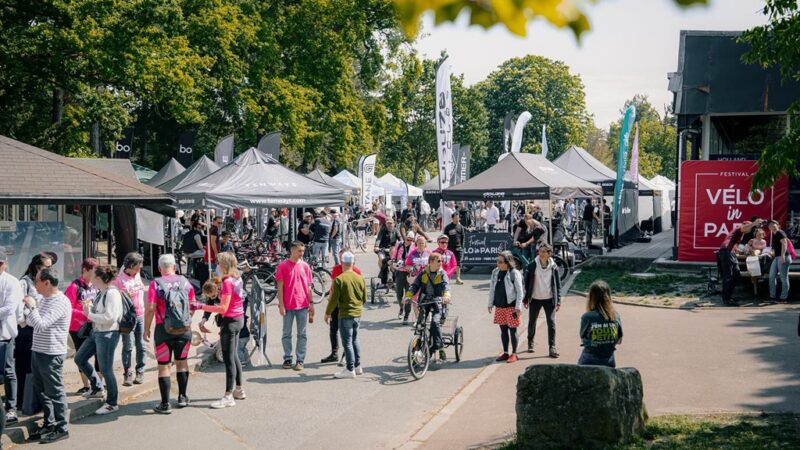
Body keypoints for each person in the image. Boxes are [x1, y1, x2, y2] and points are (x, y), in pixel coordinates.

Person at [145, 254, 197, 414]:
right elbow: (193, 305)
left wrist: (146, 328)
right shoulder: (185, 282)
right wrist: (185, 320)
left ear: (160, 268)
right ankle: (182, 397)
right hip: (184, 330)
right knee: (182, 363)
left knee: (163, 367)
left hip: (163, 331)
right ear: (174, 267)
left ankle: (165, 403)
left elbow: (151, 308)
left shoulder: (156, 284)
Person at [24, 268, 70, 443]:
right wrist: (32, 308)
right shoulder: (44, 299)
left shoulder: (60, 302)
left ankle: (61, 427)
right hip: (39, 350)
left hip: (51, 352)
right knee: (42, 390)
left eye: (36, 281)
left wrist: (32, 306)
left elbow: (41, 324)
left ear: (47, 283)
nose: (34, 285)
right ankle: (49, 424)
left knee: (55, 391)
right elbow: (31, 321)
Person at [200, 252, 246, 408]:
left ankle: (228, 396)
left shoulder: (227, 282)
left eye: (219, 263)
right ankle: (238, 390)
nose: (217, 266)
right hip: (239, 318)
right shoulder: (237, 277)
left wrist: (201, 307)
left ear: (224, 265)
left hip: (230, 322)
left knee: (228, 359)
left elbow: (222, 308)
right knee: (234, 357)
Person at [76, 266, 122, 415]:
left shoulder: (112, 293)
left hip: (108, 334)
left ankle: (112, 402)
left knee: (106, 369)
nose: (90, 277)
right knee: (80, 358)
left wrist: (89, 315)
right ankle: (97, 387)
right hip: (97, 332)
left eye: (93, 275)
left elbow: (110, 318)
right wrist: (90, 310)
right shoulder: (102, 292)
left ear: (99, 278)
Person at [17, 253, 52, 414]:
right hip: (26, 329)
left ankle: (34, 400)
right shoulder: (25, 282)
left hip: (39, 327)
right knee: (24, 366)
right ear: (37, 266)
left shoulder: (45, 283)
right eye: (47, 266)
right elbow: (19, 307)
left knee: (35, 368)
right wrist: (25, 321)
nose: (49, 269)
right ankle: (21, 400)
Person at [325, 252, 367, 378]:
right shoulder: (360, 277)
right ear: (353, 263)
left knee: (347, 342)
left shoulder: (339, 279)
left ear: (342, 263)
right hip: (357, 313)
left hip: (345, 313)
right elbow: (364, 298)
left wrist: (327, 313)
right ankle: (358, 366)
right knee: (355, 340)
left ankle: (350, 368)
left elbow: (334, 300)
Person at [276, 242, 314, 371]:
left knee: (302, 334)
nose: (301, 253)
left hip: (302, 305)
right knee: (286, 333)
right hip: (288, 304)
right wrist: (281, 304)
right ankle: (287, 357)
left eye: (302, 251)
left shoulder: (305, 266)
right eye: (299, 251)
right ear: (292, 251)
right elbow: (279, 287)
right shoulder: (283, 266)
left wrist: (311, 303)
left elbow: (309, 287)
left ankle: (300, 359)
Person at [405, 253, 451, 361]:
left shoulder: (442, 273)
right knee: (419, 324)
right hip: (425, 301)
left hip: (438, 301)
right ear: (431, 262)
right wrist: (408, 296)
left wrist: (446, 296)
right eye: (438, 261)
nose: (441, 263)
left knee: (435, 322)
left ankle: (440, 348)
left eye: (441, 261)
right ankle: (416, 349)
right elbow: (415, 286)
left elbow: (446, 286)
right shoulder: (423, 273)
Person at [65, 258, 99, 396]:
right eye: (93, 271)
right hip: (77, 327)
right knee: (81, 355)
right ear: (85, 270)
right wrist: (85, 314)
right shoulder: (74, 286)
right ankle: (86, 385)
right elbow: (68, 308)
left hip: (94, 324)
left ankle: (98, 383)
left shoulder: (96, 285)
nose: (96, 274)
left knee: (98, 354)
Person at [113, 252, 146, 386]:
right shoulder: (119, 280)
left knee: (141, 345)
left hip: (141, 314)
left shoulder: (137, 275)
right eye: (138, 266)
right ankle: (128, 372)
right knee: (128, 345)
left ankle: (141, 370)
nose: (140, 269)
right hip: (127, 318)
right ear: (130, 266)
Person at [523, 243, 562, 357]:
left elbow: (558, 285)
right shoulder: (532, 266)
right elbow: (526, 283)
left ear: (549, 254)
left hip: (549, 299)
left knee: (551, 323)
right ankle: (530, 342)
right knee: (532, 322)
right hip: (535, 298)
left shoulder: (554, 267)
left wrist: (558, 300)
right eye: (540, 251)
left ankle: (552, 347)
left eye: (544, 251)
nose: (541, 253)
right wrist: (526, 299)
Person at [487, 251, 524, 363]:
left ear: (508, 263)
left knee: (512, 330)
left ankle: (514, 353)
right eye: (497, 261)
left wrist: (518, 307)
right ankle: (505, 352)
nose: (498, 263)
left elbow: (520, 291)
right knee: (503, 330)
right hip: (500, 306)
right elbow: (492, 288)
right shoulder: (495, 272)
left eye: (500, 262)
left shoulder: (514, 273)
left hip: (511, 306)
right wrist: (490, 303)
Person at [718, 219, 763, 306]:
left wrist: (740, 251)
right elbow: (743, 228)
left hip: (730, 251)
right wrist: (754, 223)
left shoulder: (738, 233)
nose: (750, 230)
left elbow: (733, 244)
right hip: (727, 251)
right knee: (729, 276)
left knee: (736, 275)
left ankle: (729, 296)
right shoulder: (739, 228)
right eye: (750, 228)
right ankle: (726, 299)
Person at [578, 281, 623, 367]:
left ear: (591, 298)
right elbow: (619, 340)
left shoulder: (587, 317)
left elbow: (583, 337)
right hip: (609, 361)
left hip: (589, 361)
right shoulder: (615, 316)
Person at [0, 248, 22, 425]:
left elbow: (9, 308)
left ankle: (11, 407)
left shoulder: (11, 282)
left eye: (0, 263)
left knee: (8, 370)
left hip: (5, 334)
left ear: (5, 264)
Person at [392, 232, 416, 324]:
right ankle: (401, 307)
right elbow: (394, 256)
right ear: (405, 237)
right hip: (400, 272)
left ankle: (406, 316)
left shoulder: (414, 247)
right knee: (399, 294)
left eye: (411, 240)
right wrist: (393, 262)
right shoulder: (399, 245)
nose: (409, 241)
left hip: (410, 274)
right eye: (408, 239)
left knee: (408, 295)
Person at [768, 220, 792, 302]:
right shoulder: (774, 234)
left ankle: (784, 297)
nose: (771, 226)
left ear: (778, 225)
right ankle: (772, 296)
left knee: (783, 278)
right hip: (777, 257)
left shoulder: (780, 232)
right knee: (771, 276)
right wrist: (772, 252)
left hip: (783, 257)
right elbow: (777, 246)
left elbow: (784, 243)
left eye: (773, 224)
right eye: (770, 225)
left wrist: (782, 255)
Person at [374, 218, 401, 286]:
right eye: (388, 223)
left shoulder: (396, 230)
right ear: (386, 224)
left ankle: (394, 276)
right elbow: (379, 239)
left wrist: (402, 245)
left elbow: (400, 239)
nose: (390, 225)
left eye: (391, 223)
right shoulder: (382, 230)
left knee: (395, 261)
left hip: (392, 249)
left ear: (394, 224)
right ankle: (383, 272)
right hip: (382, 249)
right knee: (381, 259)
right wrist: (376, 246)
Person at [443, 212, 465, 284]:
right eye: (455, 218)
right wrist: (445, 248)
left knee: (459, 263)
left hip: (459, 248)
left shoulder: (461, 227)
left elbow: (463, 237)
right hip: (450, 248)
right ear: (452, 218)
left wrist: (462, 247)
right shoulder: (448, 227)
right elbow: (445, 238)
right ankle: (447, 277)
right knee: (448, 263)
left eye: (458, 218)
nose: (457, 220)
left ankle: (458, 278)